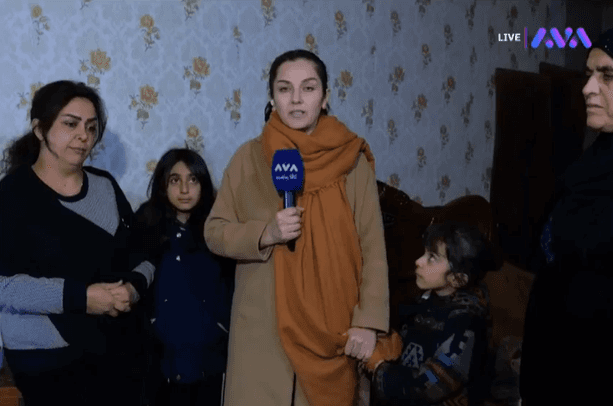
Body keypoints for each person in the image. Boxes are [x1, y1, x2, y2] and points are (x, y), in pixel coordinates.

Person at [204, 49, 390, 406]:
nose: (296, 99)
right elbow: (214, 231)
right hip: (262, 329)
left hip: (331, 327)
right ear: (272, 97)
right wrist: (265, 234)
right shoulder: (248, 157)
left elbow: (372, 246)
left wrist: (368, 321)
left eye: (308, 88)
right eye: (285, 89)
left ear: (325, 97)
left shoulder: (352, 162)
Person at [0, 80, 154, 406]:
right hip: (46, 360)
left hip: (119, 353)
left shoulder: (106, 187)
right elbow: (4, 288)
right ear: (40, 129)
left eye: (91, 127)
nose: (84, 136)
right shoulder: (11, 195)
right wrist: (81, 298)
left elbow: (144, 255)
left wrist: (133, 288)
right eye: (71, 124)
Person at [520, 22, 613, 405]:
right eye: (588, 74)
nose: (588, 88)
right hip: (556, 371)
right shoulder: (585, 170)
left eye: (608, 75)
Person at [134, 148, 234, 406]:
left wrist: (220, 326)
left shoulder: (218, 229)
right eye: (175, 180)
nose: (185, 189)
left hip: (209, 357)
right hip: (159, 358)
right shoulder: (145, 226)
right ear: (163, 184)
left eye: (193, 179)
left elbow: (231, 286)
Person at [366, 221, 494, 405]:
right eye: (424, 253)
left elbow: (433, 382)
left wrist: (380, 369)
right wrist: (393, 341)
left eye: (432, 257)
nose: (419, 261)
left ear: (457, 278)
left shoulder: (466, 323)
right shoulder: (423, 302)